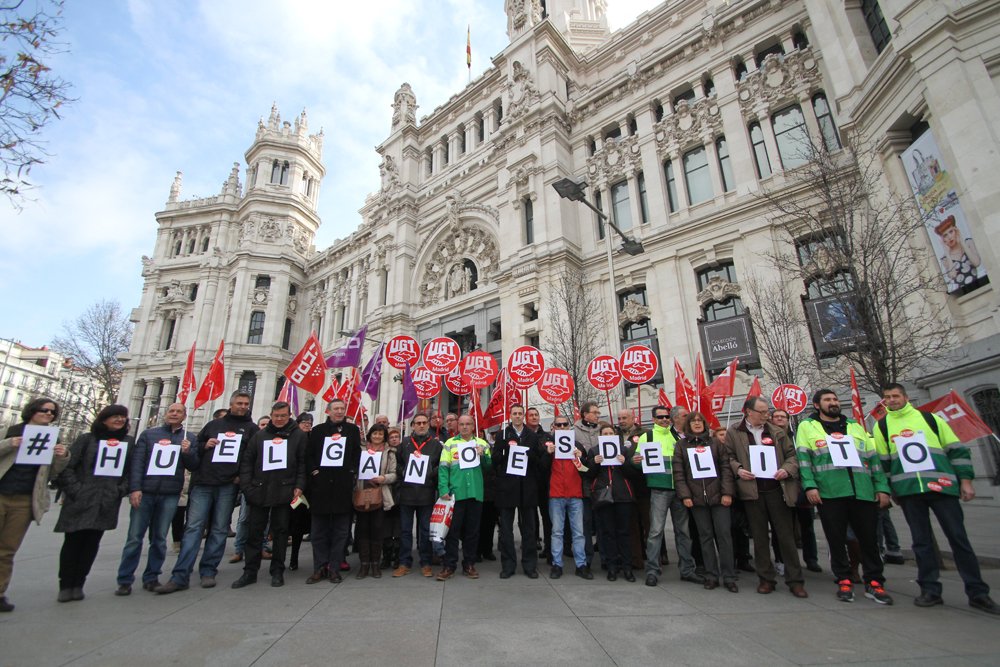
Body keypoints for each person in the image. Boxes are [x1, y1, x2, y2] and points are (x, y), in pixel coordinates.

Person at [873, 383, 998, 614]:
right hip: (909, 491)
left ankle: (978, 592)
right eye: (887, 397)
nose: (892, 400)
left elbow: (956, 450)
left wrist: (966, 480)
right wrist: (891, 490)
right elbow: (884, 464)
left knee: (959, 539)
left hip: (942, 488)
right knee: (921, 542)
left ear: (905, 397)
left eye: (896, 396)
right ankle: (930, 589)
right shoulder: (881, 427)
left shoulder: (930, 419)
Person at [796, 390, 893, 604]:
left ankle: (874, 581)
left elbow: (873, 459)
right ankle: (844, 579)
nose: (833, 403)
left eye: (835, 399)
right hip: (831, 491)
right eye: (827, 400)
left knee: (868, 538)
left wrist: (882, 487)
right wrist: (810, 486)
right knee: (836, 538)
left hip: (862, 491)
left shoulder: (855, 426)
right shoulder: (807, 427)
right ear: (817, 405)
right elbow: (803, 460)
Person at [157, 391, 259, 593]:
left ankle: (208, 570)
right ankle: (180, 574)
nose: (242, 406)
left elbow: (252, 458)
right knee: (194, 528)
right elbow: (195, 450)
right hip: (204, 482)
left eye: (246, 403)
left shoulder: (251, 429)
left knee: (220, 528)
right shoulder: (214, 425)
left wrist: (240, 477)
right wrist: (205, 445)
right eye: (239, 403)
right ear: (231, 404)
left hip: (228, 484)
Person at [726, 396, 807, 598]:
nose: (766, 415)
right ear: (748, 412)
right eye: (761, 412)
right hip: (752, 492)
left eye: (766, 411)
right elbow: (728, 457)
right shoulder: (735, 432)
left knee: (786, 537)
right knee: (760, 537)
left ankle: (795, 580)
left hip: (777, 490)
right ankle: (766, 578)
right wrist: (739, 470)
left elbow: (792, 456)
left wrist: (786, 470)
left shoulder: (777, 431)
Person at [54, 404, 133, 602]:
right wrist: (75, 489)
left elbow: (131, 470)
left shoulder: (128, 442)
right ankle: (66, 584)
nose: (119, 420)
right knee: (73, 541)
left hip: (106, 499)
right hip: (81, 497)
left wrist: (119, 490)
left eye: (122, 417)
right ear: (104, 419)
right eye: (115, 416)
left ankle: (79, 583)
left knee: (92, 543)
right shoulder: (86, 440)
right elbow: (68, 466)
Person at [115, 403, 195, 596]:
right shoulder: (148, 435)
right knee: (134, 537)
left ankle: (152, 577)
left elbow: (194, 465)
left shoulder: (188, 438)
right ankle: (125, 579)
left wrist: (188, 452)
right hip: (146, 492)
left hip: (169, 493)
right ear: (166, 414)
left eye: (179, 412)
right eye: (171, 411)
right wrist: (135, 488)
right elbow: (137, 463)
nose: (174, 414)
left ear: (184, 416)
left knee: (159, 538)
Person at [0, 398, 70, 612]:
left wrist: (62, 455)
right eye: (45, 410)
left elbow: (54, 471)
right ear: (32, 411)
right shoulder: (11, 430)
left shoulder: (52, 436)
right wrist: (10, 443)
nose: (49, 414)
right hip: (2, 491)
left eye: (52, 412)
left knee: (7, 549)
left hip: (25, 498)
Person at [232, 402, 306, 589]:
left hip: (285, 490)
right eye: (276, 415)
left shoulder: (298, 436)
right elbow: (248, 462)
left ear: (289, 415)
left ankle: (277, 570)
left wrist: (299, 486)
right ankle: (250, 571)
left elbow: (302, 463)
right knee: (255, 532)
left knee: (281, 532)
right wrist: (248, 487)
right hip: (260, 490)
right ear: (271, 415)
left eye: (283, 415)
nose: (279, 419)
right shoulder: (260, 435)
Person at [634, 405, 700, 587]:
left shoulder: (678, 436)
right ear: (654, 419)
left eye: (666, 417)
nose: (664, 419)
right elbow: (638, 462)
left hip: (680, 490)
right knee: (655, 531)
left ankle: (687, 569)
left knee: (684, 532)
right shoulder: (646, 437)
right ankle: (653, 571)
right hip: (659, 489)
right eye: (660, 417)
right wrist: (636, 462)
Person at [674, 411, 738, 592]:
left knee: (724, 536)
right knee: (705, 537)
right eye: (693, 421)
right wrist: (685, 495)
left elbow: (726, 469)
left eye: (699, 420)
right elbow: (679, 474)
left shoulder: (716, 443)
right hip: (696, 499)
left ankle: (729, 576)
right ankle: (711, 574)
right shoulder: (681, 446)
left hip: (718, 497)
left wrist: (727, 493)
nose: (696, 423)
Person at [305, 399, 361, 584]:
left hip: (342, 486)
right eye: (336, 409)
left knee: (340, 531)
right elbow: (310, 455)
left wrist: (351, 471)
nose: (339, 412)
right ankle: (319, 566)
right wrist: (315, 472)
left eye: (342, 409)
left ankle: (334, 567)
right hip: (321, 487)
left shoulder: (352, 430)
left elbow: (356, 454)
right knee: (319, 531)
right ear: (328, 411)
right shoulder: (318, 431)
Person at [438, 414, 491, 580]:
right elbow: (443, 469)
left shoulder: (482, 443)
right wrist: (443, 489)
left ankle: (469, 563)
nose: (465, 427)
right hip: (456, 494)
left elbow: (489, 468)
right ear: (457, 426)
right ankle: (449, 565)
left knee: (472, 531)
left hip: (475, 493)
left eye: (468, 424)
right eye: (462, 424)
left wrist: (484, 456)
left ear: (473, 426)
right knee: (453, 532)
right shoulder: (449, 444)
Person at [493, 404, 543, 578]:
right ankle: (508, 565)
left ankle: (530, 565)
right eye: (514, 413)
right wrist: (505, 452)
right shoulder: (503, 434)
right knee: (506, 530)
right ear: (510, 415)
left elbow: (538, 460)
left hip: (527, 487)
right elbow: (495, 460)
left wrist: (529, 455)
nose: (517, 416)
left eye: (520, 413)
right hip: (508, 488)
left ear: (524, 416)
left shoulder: (531, 435)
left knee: (529, 529)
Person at [585, 422, 640, 582]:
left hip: (623, 496)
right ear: (600, 436)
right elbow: (588, 474)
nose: (608, 436)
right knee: (608, 533)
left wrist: (625, 463)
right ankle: (611, 567)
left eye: (611, 433)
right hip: (604, 497)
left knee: (624, 532)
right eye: (605, 434)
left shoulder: (624, 450)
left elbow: (633, 474)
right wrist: (594, 462)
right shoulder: (594, 451)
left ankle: (627, 567)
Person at [541, 416, 592, 579]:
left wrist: (581, 457)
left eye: (565, 424)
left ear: (569, 427)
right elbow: (541, 468)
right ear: (553, 427)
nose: (562, 427)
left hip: (575, 494)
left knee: (578, 532)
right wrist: (548, 454)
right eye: (559, 425)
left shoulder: (576, 445)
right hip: (556, 494)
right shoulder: (548, 445)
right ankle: (557, 564)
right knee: (557, 532)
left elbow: (585, 470)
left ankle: (581, 564)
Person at [394, 413, 442, 578]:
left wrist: (429, 473)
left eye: (424, 423)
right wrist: (404, 472)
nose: (421, 425)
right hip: (407, 493)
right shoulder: (405, 443)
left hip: (426, 494)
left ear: (428, 425)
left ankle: (426, 562)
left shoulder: (436, 445)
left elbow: (440, 466)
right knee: (405, 530)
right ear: (412, 425)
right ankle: (404, 562)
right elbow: (398, 464)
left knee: (425, 530)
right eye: (418, 423)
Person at [353, 423, 397, 579]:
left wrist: (383, 478)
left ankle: (375, 564)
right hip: (362, 492)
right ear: (370, 434)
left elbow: (394, 474)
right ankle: (364, 565)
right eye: (375, 433)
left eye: (380, 434)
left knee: (377, 530)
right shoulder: (361, 450)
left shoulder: (389, 452)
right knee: (363, 530)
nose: (377, 436)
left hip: (380, 494)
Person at [618, 408, 649, 572]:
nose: (621, 420)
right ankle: (636, 559)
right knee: (632, 526)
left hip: (642, 485)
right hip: (625, 486)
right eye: (619, 418)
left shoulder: (644, 434)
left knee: (649, 524)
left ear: (633, 418)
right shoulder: (616, 436)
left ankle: (655, 557)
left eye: (625, 417)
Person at [574, 402, 601, 567]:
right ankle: (586, 559)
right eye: (595, 412)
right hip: (583, 481)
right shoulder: (574, 432)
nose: (598, 415)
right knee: (585, 522)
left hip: (602, 481)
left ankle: (606, 557)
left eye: (598, 412)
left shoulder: (603, 430)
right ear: (585, 414)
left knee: (602, 521)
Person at [288, 412, 315, 571]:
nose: (307, 424)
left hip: (311, 487)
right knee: (295, 524)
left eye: (309, 422)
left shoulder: (313, 439)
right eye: (304, 422)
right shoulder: (293, 438)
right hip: (295, 488)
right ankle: (293, 558)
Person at [525, 407, 552, 563]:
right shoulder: (524, 436)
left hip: (544, 482)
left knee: (547, 517)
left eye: (536, 415)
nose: (534, 417)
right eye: (531, 415)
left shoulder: (547, 436)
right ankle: (532, 545)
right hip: (528, 482)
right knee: (529, 519)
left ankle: (549, 549)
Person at [381, 427, 402, 571]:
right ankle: (387, 555)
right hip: (387, 491)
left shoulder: (404, 451)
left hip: (400, 492)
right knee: (386, 526)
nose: (394, 439)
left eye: (396, 436)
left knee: (399, 526)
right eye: (391, 437)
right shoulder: (384, 453)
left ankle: (398, 555)